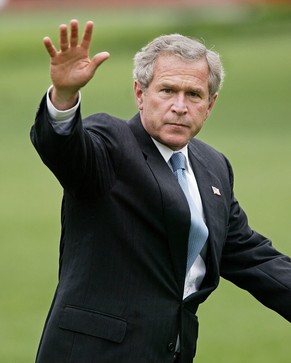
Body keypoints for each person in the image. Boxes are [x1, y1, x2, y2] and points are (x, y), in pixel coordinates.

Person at [30, 19, 291, 363]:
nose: (180, 106)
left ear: (210, 105)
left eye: (194, 95)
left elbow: (249, 254)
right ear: (141, 93)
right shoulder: (111, 143)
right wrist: (63, 98)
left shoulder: (214, 166)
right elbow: (65, 151)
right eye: (168, 90)